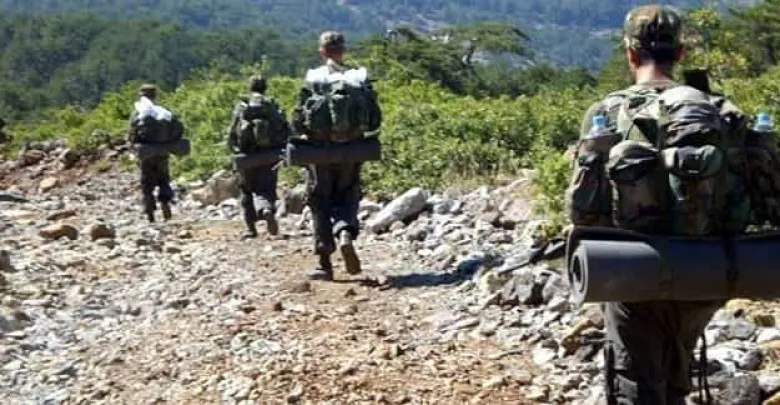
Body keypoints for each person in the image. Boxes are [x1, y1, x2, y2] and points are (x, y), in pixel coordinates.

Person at [566, 5, 751, 404]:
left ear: (630, 53)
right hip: (709, 268)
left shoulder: (605, 112)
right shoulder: (719, 111)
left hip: (632, 270)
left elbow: (583, 213)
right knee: (677, 361)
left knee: (635, 380)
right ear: (679, 53)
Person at [291, 31, 381, 280]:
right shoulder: (357, 78)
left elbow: (298, 120)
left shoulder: (314, 78)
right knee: (349, 193)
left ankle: (324, 263)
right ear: (343, 50)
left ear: (322, 52)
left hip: (320, 153)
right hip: (352, 151)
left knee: (319, 200)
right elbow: (375, 119)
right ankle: (344, 232)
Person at [227, 75, 289, 238]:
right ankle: (267, 209)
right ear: (265, 88)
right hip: (269, 155)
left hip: (246, 156)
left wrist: (233, 152)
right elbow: (284, 128)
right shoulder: (271, 105)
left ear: (250, 87)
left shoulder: (243, 106)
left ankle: (250, 229)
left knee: (246, 191)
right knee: (267, 188)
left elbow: (232, 131)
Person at [128, 84, 179, 223]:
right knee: (163, 179)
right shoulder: (162, 111)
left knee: (147, 183)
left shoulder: (139, 111)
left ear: (141, 95)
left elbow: (132, 133)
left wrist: (133, 148)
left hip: (145, 153)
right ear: (155, 96)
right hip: (162, 151)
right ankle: (165, 203)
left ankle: (150, 213)